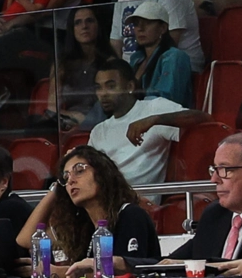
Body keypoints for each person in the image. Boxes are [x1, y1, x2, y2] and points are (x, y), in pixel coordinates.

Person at [14, 145, 159, 278]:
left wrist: (61, 272)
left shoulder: (130, 215)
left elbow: (129, 272)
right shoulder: (84, 226)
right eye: (66, 177)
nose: (71, 180)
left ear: (102, 174)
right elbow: (27, 239)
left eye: (80, 170)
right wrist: (56, 187)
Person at [87, 58, 208, 189]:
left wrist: (155, 120)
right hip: (107, 199)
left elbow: (203, 119)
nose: (103, 94)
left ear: (130, 87)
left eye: (111, 86)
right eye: (98, 87)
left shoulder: (153, 108)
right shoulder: (98, 131)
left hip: (141, 202)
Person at [168, 134, 242, 268]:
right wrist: (126, 263)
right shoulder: (215, 215)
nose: (214, 179)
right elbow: (171, 262)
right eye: (214, 169)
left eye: (225, 169)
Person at [35, 6, 115, 132]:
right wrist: (74, 116)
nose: (84, 26)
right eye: (77, 22)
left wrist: (83, 120)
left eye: (89, 21)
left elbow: (112, 106)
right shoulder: (62, 64)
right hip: (66, 122)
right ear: (72, 29)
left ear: (98, 25)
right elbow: (53, 106)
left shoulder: (111, 63)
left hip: (99, 124)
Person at [125, 0, 192, 107]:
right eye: (137, 24)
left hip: (164, 121)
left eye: (147, 23)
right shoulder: (135, 59)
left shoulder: (175, 57)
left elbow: (168, 100)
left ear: (163, 28)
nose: (140, 29)